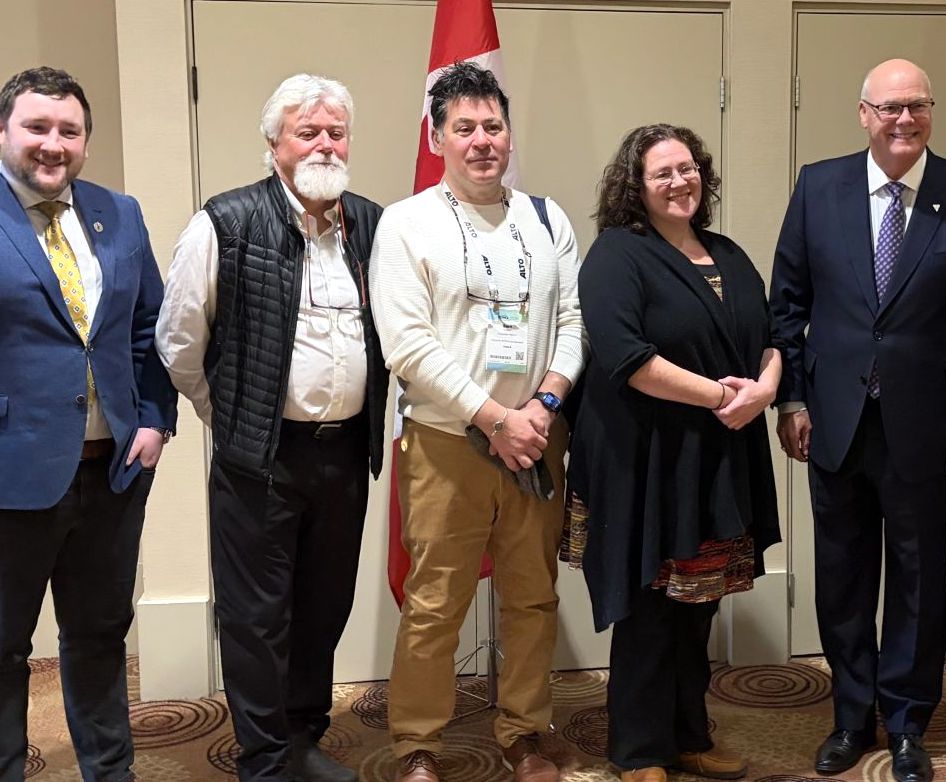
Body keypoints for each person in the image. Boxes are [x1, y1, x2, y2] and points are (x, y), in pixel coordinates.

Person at [0, 66, 177, 781]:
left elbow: (149, 328)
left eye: (69, 131)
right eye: (37, 128)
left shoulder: (120, 213)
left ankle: (110, 772)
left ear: (85, 141)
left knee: (102, 636)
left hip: (112, 473)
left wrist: (155, 418)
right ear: (0, 131)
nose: (53, 144)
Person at [769, 58, 946, 782]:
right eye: (889, 107)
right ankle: (850, 716)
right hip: (833, 422)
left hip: (927, 426)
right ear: (863, 113)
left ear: (930, 111)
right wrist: (792, 399)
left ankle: (908, 721)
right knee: (842, 576)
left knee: (916, 577)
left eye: (917, 106)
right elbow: (788, 301)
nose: (904, 120)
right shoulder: (820, 184)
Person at [155, 73, 386, 782]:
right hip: (260, 459)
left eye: (335, 130)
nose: (324, 142)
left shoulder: (373, 224)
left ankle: (301, 736)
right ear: (274, 143)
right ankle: (262, 758)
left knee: (324, 605)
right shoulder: (224, 222)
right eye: (307, 130)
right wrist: (227, 416)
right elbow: (178, 343)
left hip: (345, 453)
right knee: (257, 619)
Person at [371, 62, 583, 782]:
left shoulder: (546, 219)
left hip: (537, 441)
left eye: (493, 126)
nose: (482, 140)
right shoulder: (405, 224)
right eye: (464, 128)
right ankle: (419, 745)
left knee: (532, 596)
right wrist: (495, 417)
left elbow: (573, 325)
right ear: (438, 139)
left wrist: (544, 406)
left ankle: (525, 731)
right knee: (436, 604)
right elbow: (407, 345)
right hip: (447, 443)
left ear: (509, 135)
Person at [566, 123, 782, 782]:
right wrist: (723, 395)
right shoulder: (615, 255)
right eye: (662, 172)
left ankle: (690, 734)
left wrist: (767, 387)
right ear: (636, 185)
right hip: (647, 458)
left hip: (717, 458)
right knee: (651, 606)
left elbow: (771, 338)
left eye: (687, 168)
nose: (678, 181)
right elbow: (627, 358)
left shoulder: (727, 252)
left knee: (701, 603)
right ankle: (638, 749)